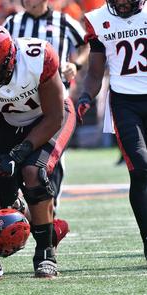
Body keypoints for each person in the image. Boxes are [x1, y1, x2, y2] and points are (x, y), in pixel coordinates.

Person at [0, 25, 76, 278]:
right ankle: (45, 225)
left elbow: (54, 117)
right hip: (12, 121)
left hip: (52, 116)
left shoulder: (36, 56)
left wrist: (18, 154)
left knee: (33, 171)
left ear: (11, 59)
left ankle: (45, 253)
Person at [77, 0, 147, 262]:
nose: (120, 3)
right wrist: (85, 96)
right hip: (124, 101)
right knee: (140, 169)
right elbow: (96, 72)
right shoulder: (99, 19)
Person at [3, 0, 89, 210]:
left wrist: (75, 65)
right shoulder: (11, 22)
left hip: (56, 99)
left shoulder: (64, 21)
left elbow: (87, 43)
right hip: (21, 100)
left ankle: (51, 205)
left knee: (50, 157)